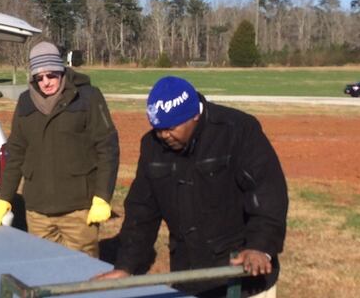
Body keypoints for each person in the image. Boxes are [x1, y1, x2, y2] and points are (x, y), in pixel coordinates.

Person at [94, 76, 288, 298]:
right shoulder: (152, 146)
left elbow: (268, 193)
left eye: (170, 127)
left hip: (241, 277)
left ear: (194, 114)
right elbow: (142, 212)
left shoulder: (237, 131)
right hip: (189, 277)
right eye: (157, 128)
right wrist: (126, 267)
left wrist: (260, 246)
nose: (163, 135)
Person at [0, 41, 119, 257]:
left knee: (82, 275)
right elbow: (16, 151)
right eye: (39, 78)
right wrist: (5, 197)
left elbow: (107, 147)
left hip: (78, 210)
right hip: (37, 211)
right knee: (44, 272)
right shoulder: (25, 102)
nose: (46, 82)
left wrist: (102, 197)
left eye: (51, 75)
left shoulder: (88, 97)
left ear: (61, 70)